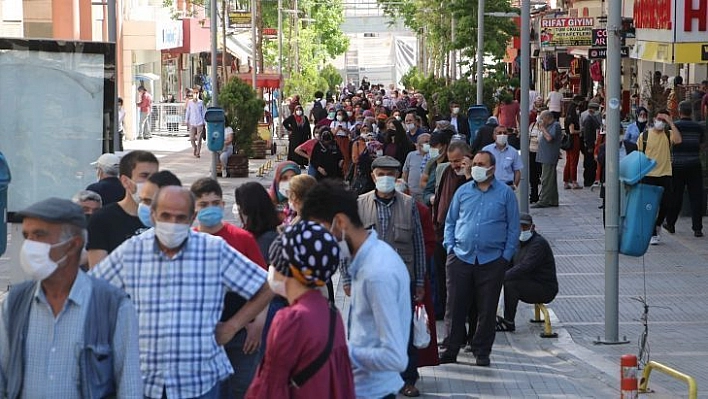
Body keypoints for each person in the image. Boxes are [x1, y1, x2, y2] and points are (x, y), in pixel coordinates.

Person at [91, 186, 273, 399]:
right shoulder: (133, 250)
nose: (172, 224)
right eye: (165, 216)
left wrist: (233, 325)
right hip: (146, 381)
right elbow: (93, 290)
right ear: (153, 215)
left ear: (192, 217)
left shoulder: (214, 250)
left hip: (198, 381)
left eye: (180, 217)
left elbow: (267, 285)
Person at [0, 198, 142, 398]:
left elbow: (130, 388)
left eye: (39, 235)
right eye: (27, 236)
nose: (30, 246)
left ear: (73, 245)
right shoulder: (15, 302)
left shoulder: (113, 306)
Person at [300, 181, 411, 399]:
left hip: (373, 392)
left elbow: (395, 357)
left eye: (320, 233)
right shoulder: (368, 259)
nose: (318, 243)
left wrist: (337, 352)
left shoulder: (377, 273)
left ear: (339, 222)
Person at [246, 221, 355, 398]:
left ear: (288, 269)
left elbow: (271, 385)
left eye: (273, 263)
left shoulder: (290, 319)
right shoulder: (332, 313)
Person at [439, 150, 520, 366]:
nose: (475, 167)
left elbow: (514, 228)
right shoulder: (463, 191)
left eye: (480, 164)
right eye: (474, 163)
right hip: (461, 258)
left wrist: (506, 256)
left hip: (492, 260)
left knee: (487, 308)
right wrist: (450, 248)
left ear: (492, 168)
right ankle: (450, 348)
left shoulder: (505, 194)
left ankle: (481, 350)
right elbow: (451, 221)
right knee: (455, 306)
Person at [189, 178, 268, 399]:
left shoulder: (242, 239)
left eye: (215, 203)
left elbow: (265, 284)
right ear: (193, 207)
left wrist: (257, 324)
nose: (210, 209)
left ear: (223, 205)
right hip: (202, 337)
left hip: (241, 333)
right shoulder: (188, 241)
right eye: (203, 204)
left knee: (240, 391)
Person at [355, 156, 426, 397]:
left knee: (402, 330)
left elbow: (418, 244)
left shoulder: (408, 204)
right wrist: (346, 278)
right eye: (381, 174)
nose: (386, 178)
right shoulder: (359, 204)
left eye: (390, 174)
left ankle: (407, 378)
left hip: (401, 280)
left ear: (397, 177)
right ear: (373, 176)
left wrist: (419, 281)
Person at [86, 150, 159, 267]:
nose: (151, 183)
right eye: (144, 176)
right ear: (125, 181)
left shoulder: (164, 217)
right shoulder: (102, 220)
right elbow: (97, 274)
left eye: (155, 177)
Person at [496, 213, 558, 332]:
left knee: (511, 283)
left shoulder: (538, 244)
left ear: (532, 227)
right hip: (530, 282)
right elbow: (508, 264)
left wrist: (500, 277)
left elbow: (525, 267)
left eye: (524, 227)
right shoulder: (517, 243)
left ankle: (509, 321)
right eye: (518, 227)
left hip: (544, 288)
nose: (521, 230)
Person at [637, 109, 682, 244]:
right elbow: (639, 155)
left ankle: (658, 223)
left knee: (667, 203)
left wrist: (671, 123)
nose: (660, 122)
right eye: (659, 119)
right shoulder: (644, 136)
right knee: (649, 205)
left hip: (665, 174)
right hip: (649, 175)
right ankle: (652, 233)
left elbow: (679, 140)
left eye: (663, 120)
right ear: (654, 119)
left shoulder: (668, 135)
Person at [663, 101, 705, 237]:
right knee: (696, 196)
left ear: (679, 112)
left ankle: (670, 224)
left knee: (676, 195)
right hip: (694, 164)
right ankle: (697, 228)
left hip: (678, 165)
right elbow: (702, 143)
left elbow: (669, 142)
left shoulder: (675, 126)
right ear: (691, 112)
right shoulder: (698, 127)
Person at [531, 111, 561, 208]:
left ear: (547, 118)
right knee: (550, 179)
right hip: (545, 156)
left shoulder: (555, 125)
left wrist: (543, 128)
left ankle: (544, 200)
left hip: (549, 156)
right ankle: (552, 199)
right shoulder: (550, 126)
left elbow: (549, 138)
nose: (541, 121)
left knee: (546, 179)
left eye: (542, 119)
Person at [402, 133, 431, 201]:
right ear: (419, 144)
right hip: (413, 193)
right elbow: (405, 172)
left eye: (430, 141)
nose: (429, 144)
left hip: (427, 194)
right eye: (426, 142)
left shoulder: (434, 156)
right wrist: (406, 187)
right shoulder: (411, 155)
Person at [581, 102, 602, 187]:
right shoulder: (588, 119)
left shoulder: (592, 118)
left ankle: (591, 179)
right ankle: (588, 180)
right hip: (589, 145)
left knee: (592, 163)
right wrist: (589, 146)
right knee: (589, 163)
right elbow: (587, 134)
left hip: (592, 143)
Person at [563, 99, 583, 189]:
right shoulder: (572, 118)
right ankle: (574, 181)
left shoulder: (567, 117)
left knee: (568, 161)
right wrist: (580, 131)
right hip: (574, 140)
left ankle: (566, 181)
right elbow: (572, 131)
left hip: (568, 140)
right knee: (574, 161)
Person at [185, 91, 207, 158]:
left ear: (198, 94)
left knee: (199, 138)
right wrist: (186, 120)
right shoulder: (190, 102)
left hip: (199, 122)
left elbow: (203, 112)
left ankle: (198, 152)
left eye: (197, 93)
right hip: (192, 122)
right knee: (192, 138)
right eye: (194, 93)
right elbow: (188, 111)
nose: (195, 95)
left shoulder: (201, 102)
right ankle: (195, 148)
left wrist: (204, 122)